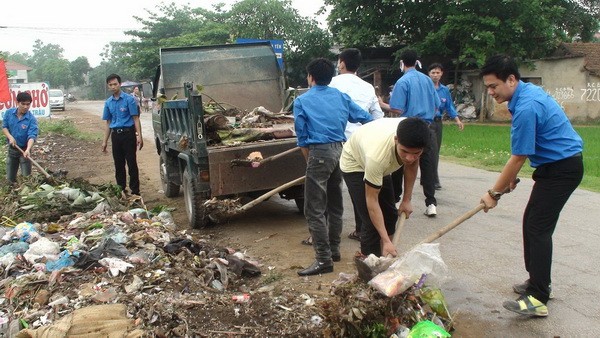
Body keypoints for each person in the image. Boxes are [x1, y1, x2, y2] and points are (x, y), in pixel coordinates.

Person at [479, 54, 583, 317]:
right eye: (488, 87)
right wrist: (508, 181)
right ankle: (536, 280)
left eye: (494, 86)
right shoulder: (523, 95)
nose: (490, 92)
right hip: (554, 167)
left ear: (511, 79)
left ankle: (538, 296)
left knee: (537, 228)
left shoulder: (526, 106)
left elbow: (518, 156)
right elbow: (528, 147)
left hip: (562, 169)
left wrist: (494, 193)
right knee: (532, 223)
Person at [294, 58, 373, 276]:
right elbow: (366, 118)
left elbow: (302, 139)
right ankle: (335, 250)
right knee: (335, 203)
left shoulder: (303, 100)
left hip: (319, 153)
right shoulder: (341, 96)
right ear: (330, 77)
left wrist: (311, 160)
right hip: (341, 151)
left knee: (314, 209)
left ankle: (323, 259)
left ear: (310, 77)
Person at [319, 48, 384, 243]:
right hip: (362, 142)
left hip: (335, 141)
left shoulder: (330, 84)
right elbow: (377, 117)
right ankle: (361, 229)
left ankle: (327, 231)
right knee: (361, 187)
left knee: (330, 186)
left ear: (341, 63)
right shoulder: (367, 87)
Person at [341, 117, 430, 257]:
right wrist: (386, 239)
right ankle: (369, 263)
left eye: (416, 153)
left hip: (379, 159)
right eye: (405, 151)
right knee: (370, 223)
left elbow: (412, 165)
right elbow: (372, 201)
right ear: (396, 140)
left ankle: (386, 257)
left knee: (390, 215)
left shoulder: (414, 133)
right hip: (355, 163)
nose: (409, 158)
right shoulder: (377, 157)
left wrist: (406, 200)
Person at [382, 50, 440, 217]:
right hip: (427, 126)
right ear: (416, 62)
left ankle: (396, 199)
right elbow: (436, 105)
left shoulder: (403, 82)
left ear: (402, 63)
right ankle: (431, 203)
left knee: (400, 162)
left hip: (407, 126)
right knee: (427, 165)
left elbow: (396, 108)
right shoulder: (427, 80)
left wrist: (382, 104)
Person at [101, 74, 144, 196]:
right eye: (110, 85)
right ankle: (121, 189)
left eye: (115, 84)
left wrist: (139, 136)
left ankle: (135, 191)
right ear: (108, 86)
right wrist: (105, 142)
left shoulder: (129, 99)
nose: (113, 87)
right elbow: (108, 122)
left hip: (128, 135)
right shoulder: (108, 103)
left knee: (131, 163)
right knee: (118, 164)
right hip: (116, 136)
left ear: (120, 84)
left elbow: (135, 118)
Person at [428, 63, 464, 190]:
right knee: (429, 151)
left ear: (441, 74)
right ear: (429, 74)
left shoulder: (444, 90)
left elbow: (449, 106)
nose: (436, 75)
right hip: (427, 122)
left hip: (438, 122)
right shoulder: (426, 88)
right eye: (433, 72)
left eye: (438, 72)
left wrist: (457, 120)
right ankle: (432, 179)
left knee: (435, 151)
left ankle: (431, 178)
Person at [2, 92, 39, 184]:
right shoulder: (9, 113)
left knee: (27, 180)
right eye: (23, 104)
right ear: (17, 103)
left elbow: (32, 136)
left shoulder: (31, 119)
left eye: (28, 104)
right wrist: (10, 137)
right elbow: (4, 127)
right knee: (10, 179)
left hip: (25, 151)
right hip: (12, 150)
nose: (26, 107)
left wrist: (28, 149)